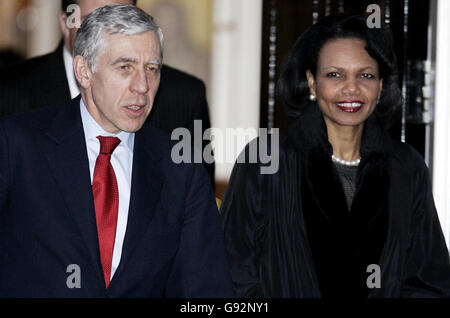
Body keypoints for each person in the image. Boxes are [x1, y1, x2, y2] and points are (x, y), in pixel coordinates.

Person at [0, 4, 233, 298]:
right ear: (84, 71)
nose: (142, 86)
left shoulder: (180, 168)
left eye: (152, 69)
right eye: (125, 67)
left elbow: (205, 291)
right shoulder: (16, 146)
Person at [220, 14, 450, 298]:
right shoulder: (266, 160)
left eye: (365, 75)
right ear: (312, 83)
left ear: (380, 86)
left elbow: (429, 282)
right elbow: (229, 275)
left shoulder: (406, 167)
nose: (351, 88)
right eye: (334, 74)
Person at [0, 0, 215, 187]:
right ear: (65, 22)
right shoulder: (8, 95)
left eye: (122, 18)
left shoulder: (184, 97)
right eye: (93, 20)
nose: (141, 86)